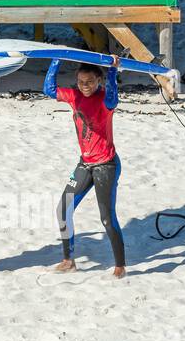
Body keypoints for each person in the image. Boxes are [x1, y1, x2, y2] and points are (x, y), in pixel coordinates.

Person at [43, 56, 126, 278]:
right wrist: (56, 60)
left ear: (98, 80)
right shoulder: (74, 96)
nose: (84, 86)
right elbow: (49, 89)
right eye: (80, 82)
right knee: (63, 209)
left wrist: (112, 72)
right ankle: (68, 260)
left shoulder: (104, 101)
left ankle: (120, 265)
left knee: (107, 218)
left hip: (106, 165)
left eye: (89, 81)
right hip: (85, 163)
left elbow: (113, 98)